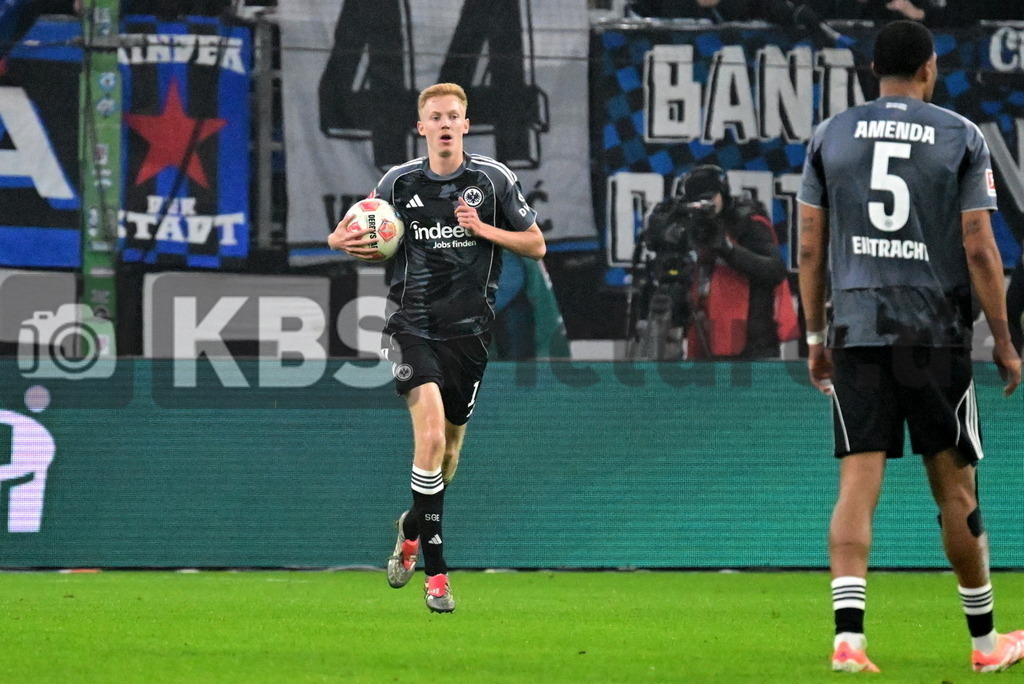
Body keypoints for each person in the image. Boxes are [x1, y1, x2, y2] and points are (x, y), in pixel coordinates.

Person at [798, 20, 1023, 674]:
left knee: (856, 486)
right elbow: (980, 247)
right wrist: (1004, 341)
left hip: (858, 332)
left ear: (874, 69)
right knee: (956, 493)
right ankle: (985, 646)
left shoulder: (830, 135)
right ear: (929, 69)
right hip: (935, 335)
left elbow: (810, 249)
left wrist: (817, 338)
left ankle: (848, 641)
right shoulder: (959, 135)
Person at [327, 83, 546, 613]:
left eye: (453, 116)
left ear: (466, 126)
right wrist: (342, 241)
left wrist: (484, 228)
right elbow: (348, 233)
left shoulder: (492, 180)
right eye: (435, 117)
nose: (445, 124)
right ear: (421, 127)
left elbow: (536, 245)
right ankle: (438, 574)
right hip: (412, 326)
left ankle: (410, 528)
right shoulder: (397, 183)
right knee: (427, 438)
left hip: (470, 334)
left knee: (447, 458)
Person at [638, 164, 791, 359]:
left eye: (710, 198)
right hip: (706, 331)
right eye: (698, 200)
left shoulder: (747, 220)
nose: (705, 206)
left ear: (723, 193)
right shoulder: (689, 220)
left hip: (751, 341)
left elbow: (774, 270)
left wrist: (727, 248)